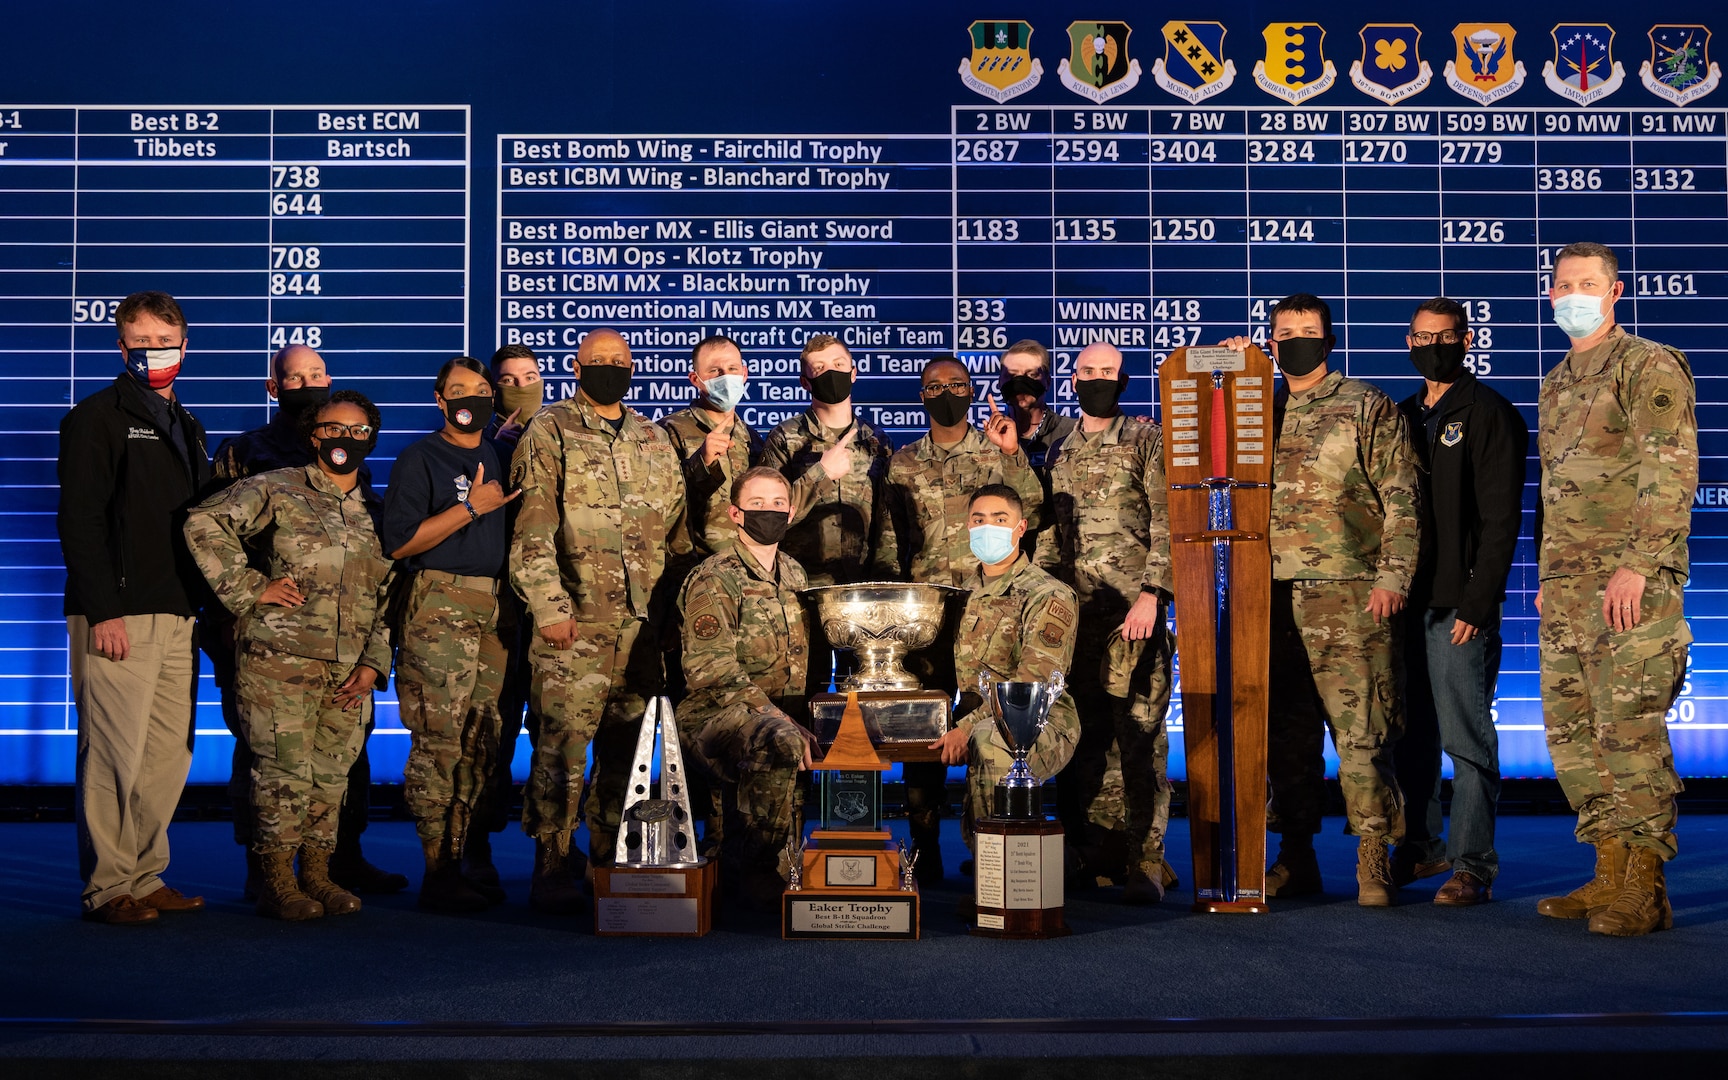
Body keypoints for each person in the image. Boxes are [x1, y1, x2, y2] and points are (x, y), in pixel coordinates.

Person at [1221, 294, 1420, 906]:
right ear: (1272, 341)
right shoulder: (1258, 407)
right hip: (1269, 596)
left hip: (1349, 593)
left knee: (1361, 732)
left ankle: (1372, 858)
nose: (1297, 340)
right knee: (1287, 737)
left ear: (1329, 340)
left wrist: (1394, 577)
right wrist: (1226, 378)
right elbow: (1198, 444)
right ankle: (1296, 856)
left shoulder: (1366, 405)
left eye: (1310, 331)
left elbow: (1402, 496)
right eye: (1286, 333)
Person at [1534, 242, 1697, 937]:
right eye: (1564, 284)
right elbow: (1556, 492)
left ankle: (1645, 886)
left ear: (1615, 291)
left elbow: (1669, 470)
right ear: (1551, 296)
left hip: (1629, 585)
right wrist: (1548, 580)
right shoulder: (1557, 380)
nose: (1574, 293)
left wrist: (1641, 562)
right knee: (1575, 738)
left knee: (1629, 735)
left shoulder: (1647, 364)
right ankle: (1607, 872)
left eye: (1588, 283)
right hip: (1567, 591)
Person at [205, 344, 406, 900]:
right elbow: (208, 526)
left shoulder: (370, 500)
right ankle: (268, 874)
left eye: (317, 374)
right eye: (296, 377)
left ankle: (327, 867)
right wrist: (245, 596)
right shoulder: (253, 461)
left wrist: (373, 662)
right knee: (272, 765)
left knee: (333, 770)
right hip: (274, 652)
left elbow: (385, 588)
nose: (308, 384)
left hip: (345, 662)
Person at [509, 327, 688, 914]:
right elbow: (531, 529)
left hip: (641, 634)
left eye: (619, 361)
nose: (609, 368)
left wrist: (671, 622)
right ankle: (552, 863)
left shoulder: (653, 439)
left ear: (633, 367)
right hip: (576, 627)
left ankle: (610, 857)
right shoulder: (551, 429)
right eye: (597, 361)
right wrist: (550, 609)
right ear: (577, 366)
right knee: (561, 752)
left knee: (627, 754)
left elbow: (676, 535)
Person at [58, 290, 211, 924]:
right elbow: (81, 520)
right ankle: (107, 887)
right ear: (121, 347)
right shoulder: (97, 417)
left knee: (165, 755)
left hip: (179, 613)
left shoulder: (189, 423)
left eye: (165, 342)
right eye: (142, 343)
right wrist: (103, 610)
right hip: (119, 612)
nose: (156, 354)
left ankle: (146, 877)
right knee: (113, 753)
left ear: (187, 344)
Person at [874, 355, 1044, 882]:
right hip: (926, 622)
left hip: (988, 609)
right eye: (934, 386)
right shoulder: (902, 462)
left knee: (983, 721)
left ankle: (985, 842)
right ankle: (925, 846)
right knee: (924, 733)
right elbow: (887, 542)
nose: (945, 392)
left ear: (972, 391)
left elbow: (1034, 512)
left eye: (957, 385)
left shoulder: (995, 451)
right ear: (920, 395)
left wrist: (1014, 456)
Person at [1392, 298, 1527, 906]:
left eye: (1444, 337)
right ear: (1408, 343)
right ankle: (1421, 847)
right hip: (1402, 604)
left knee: (1465, 738)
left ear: (1465, 340)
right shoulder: (1398, 415)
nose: (1433, 346)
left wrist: (1478, 605)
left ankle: (1472, 864)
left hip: (1457, 608)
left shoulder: (1490, 414)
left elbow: (1500, 523)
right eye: (1422, 338)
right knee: (1410, 734)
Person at [1035, 341, 1174, 903]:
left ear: (1123, 380)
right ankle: (1095, 854)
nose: (1096, 379)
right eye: (1087, 371)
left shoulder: (1146, 438)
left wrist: (1153, 594)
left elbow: (1168, 518)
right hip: (1075, 616)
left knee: (1139, 737)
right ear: (1073, 378)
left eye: (1107, 372)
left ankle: (1146, 861)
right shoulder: (1059, 449)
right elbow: (1048, 533)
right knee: (1084, 740)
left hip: (1131, 614)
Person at [383, 357, 520, 913]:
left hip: (495, 608)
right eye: (460, 391)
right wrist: (470, 508)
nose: (472, 399)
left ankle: (462, 856)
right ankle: (437, 868)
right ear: (440, 400)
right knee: (439, 741)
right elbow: (400, 543)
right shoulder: (421, 457)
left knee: (480, 741)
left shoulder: (499, 453)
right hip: (440, 603)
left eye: (483, 391)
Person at [676, 467, 817, 907]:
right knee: (782, 738)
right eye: (757, 504)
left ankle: (763, 857)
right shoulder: (716, 576)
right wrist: (776, 716)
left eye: (778, 503)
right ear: (736, 513)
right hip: (712, 713)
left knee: (813, 736)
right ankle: (749, 867)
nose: (769, 512)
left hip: (776, 713)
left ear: (791, 512)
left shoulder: (795, 574)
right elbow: (710, 668)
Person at [930, 485, 1078, 844]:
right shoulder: (963, 593)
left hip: (1041, 721)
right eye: (979, 520)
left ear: (1021, 527)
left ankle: (1002, 879)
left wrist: (965, 728)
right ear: (967, 527)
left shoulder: (1047, 593)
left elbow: (1032, 686)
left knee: (989, 740)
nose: (988, 528)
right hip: (976, 717)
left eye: (1000, 519)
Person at [760, 334, 895, 693]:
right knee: (805, 689)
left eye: (837, 365)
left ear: (854, 372)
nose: (829, 373)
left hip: (861, 588)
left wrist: (884, 581)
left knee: (865, 693)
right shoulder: (785, 439)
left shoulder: (877, 441)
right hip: (801, 588)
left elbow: (887, 521)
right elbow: (771, 514)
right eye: (819, 369)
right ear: (805, 381)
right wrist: (820, 472)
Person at [466, 343, 545, 885]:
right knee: (486, 733)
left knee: (554, 733)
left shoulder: (564, 435)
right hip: (494, 613)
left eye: (531, 376)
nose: (521, 386)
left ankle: (553, 854)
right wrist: (494, 453)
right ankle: (473, 849)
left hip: (550, 612)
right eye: (508, 379)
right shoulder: (471, 444)